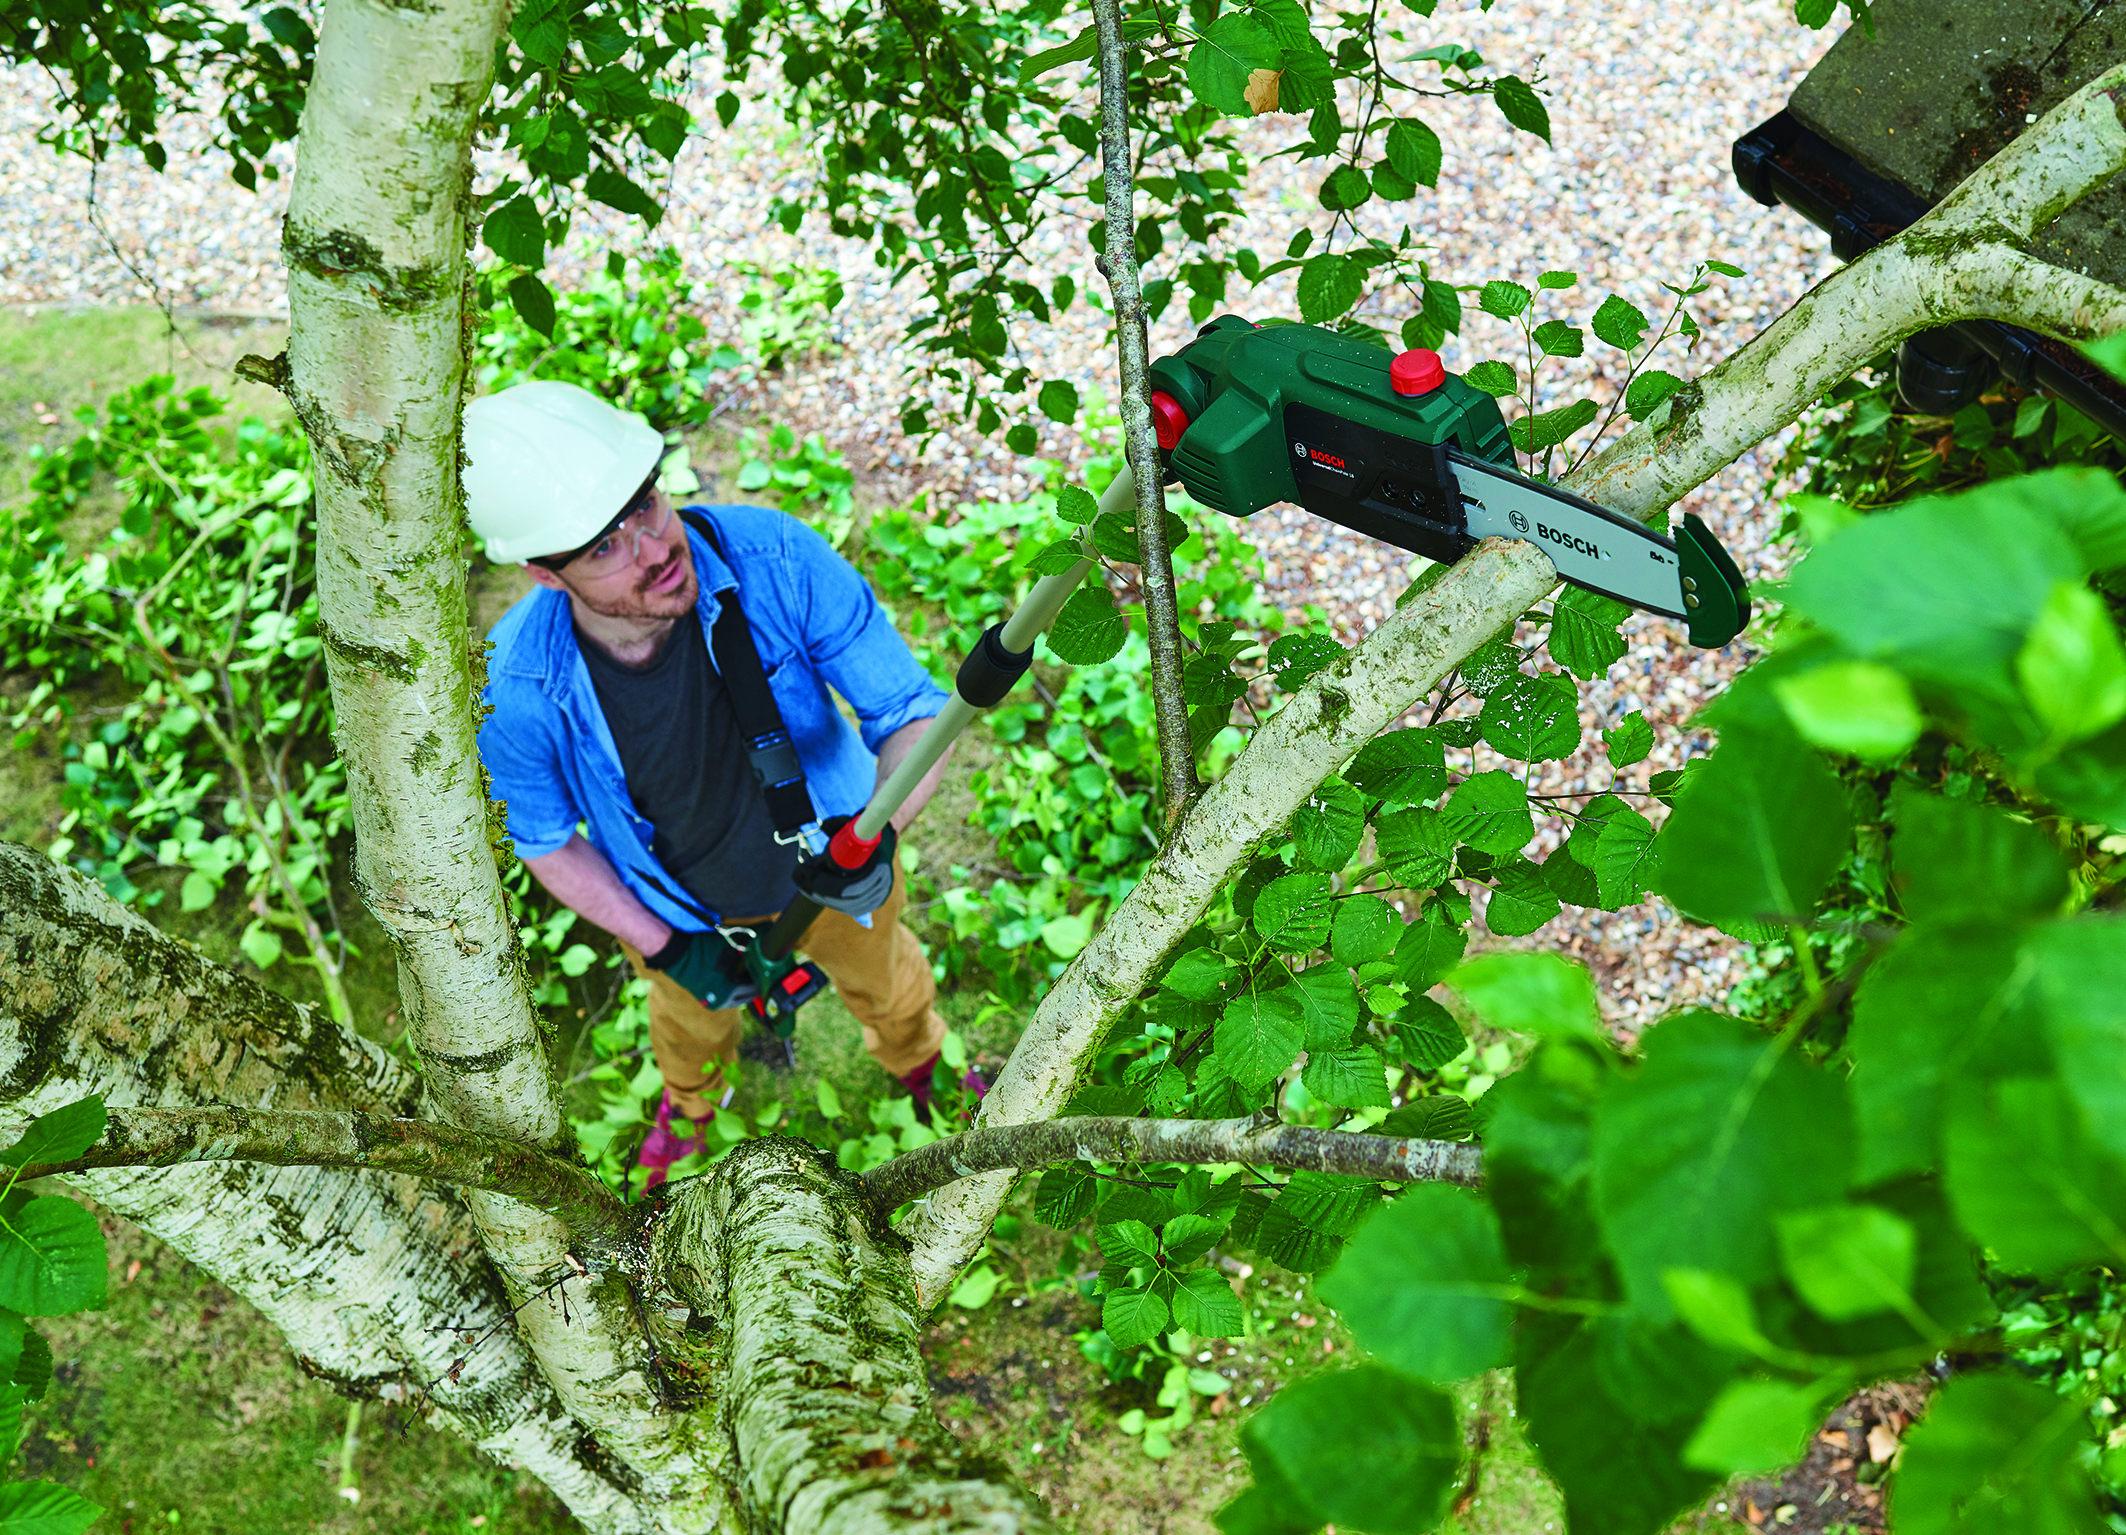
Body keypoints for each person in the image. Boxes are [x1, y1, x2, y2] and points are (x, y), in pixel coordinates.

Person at [466, 380, 974, 1187]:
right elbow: (546, 840)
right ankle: (692, 1105)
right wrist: (666, 946)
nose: (653, 546)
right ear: (544, 575)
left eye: (646, 504)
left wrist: (882, 830)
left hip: (843, 868)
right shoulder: (516, 686)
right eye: (604, 546)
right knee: (687, 1026)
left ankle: (920, 1061)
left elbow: (912, 711)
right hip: (681, 911)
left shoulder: (774, 558)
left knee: (889, 980)